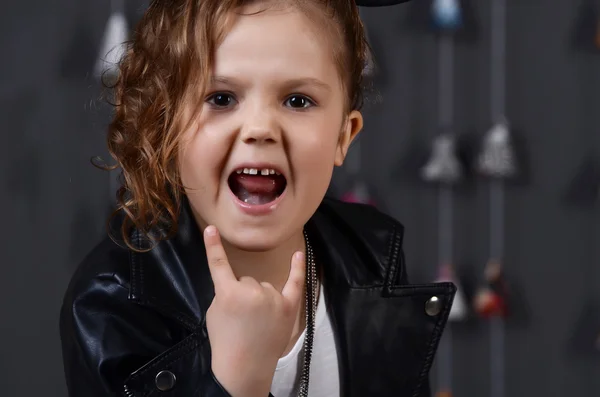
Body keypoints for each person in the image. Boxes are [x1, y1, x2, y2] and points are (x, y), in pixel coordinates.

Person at [59, 0, 456, 396]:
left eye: (298, 100)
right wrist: (236, 382)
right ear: (166, 126)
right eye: (221, 98)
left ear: (343, 136)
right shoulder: (110, 303)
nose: (260, 128)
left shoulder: (373, 257)